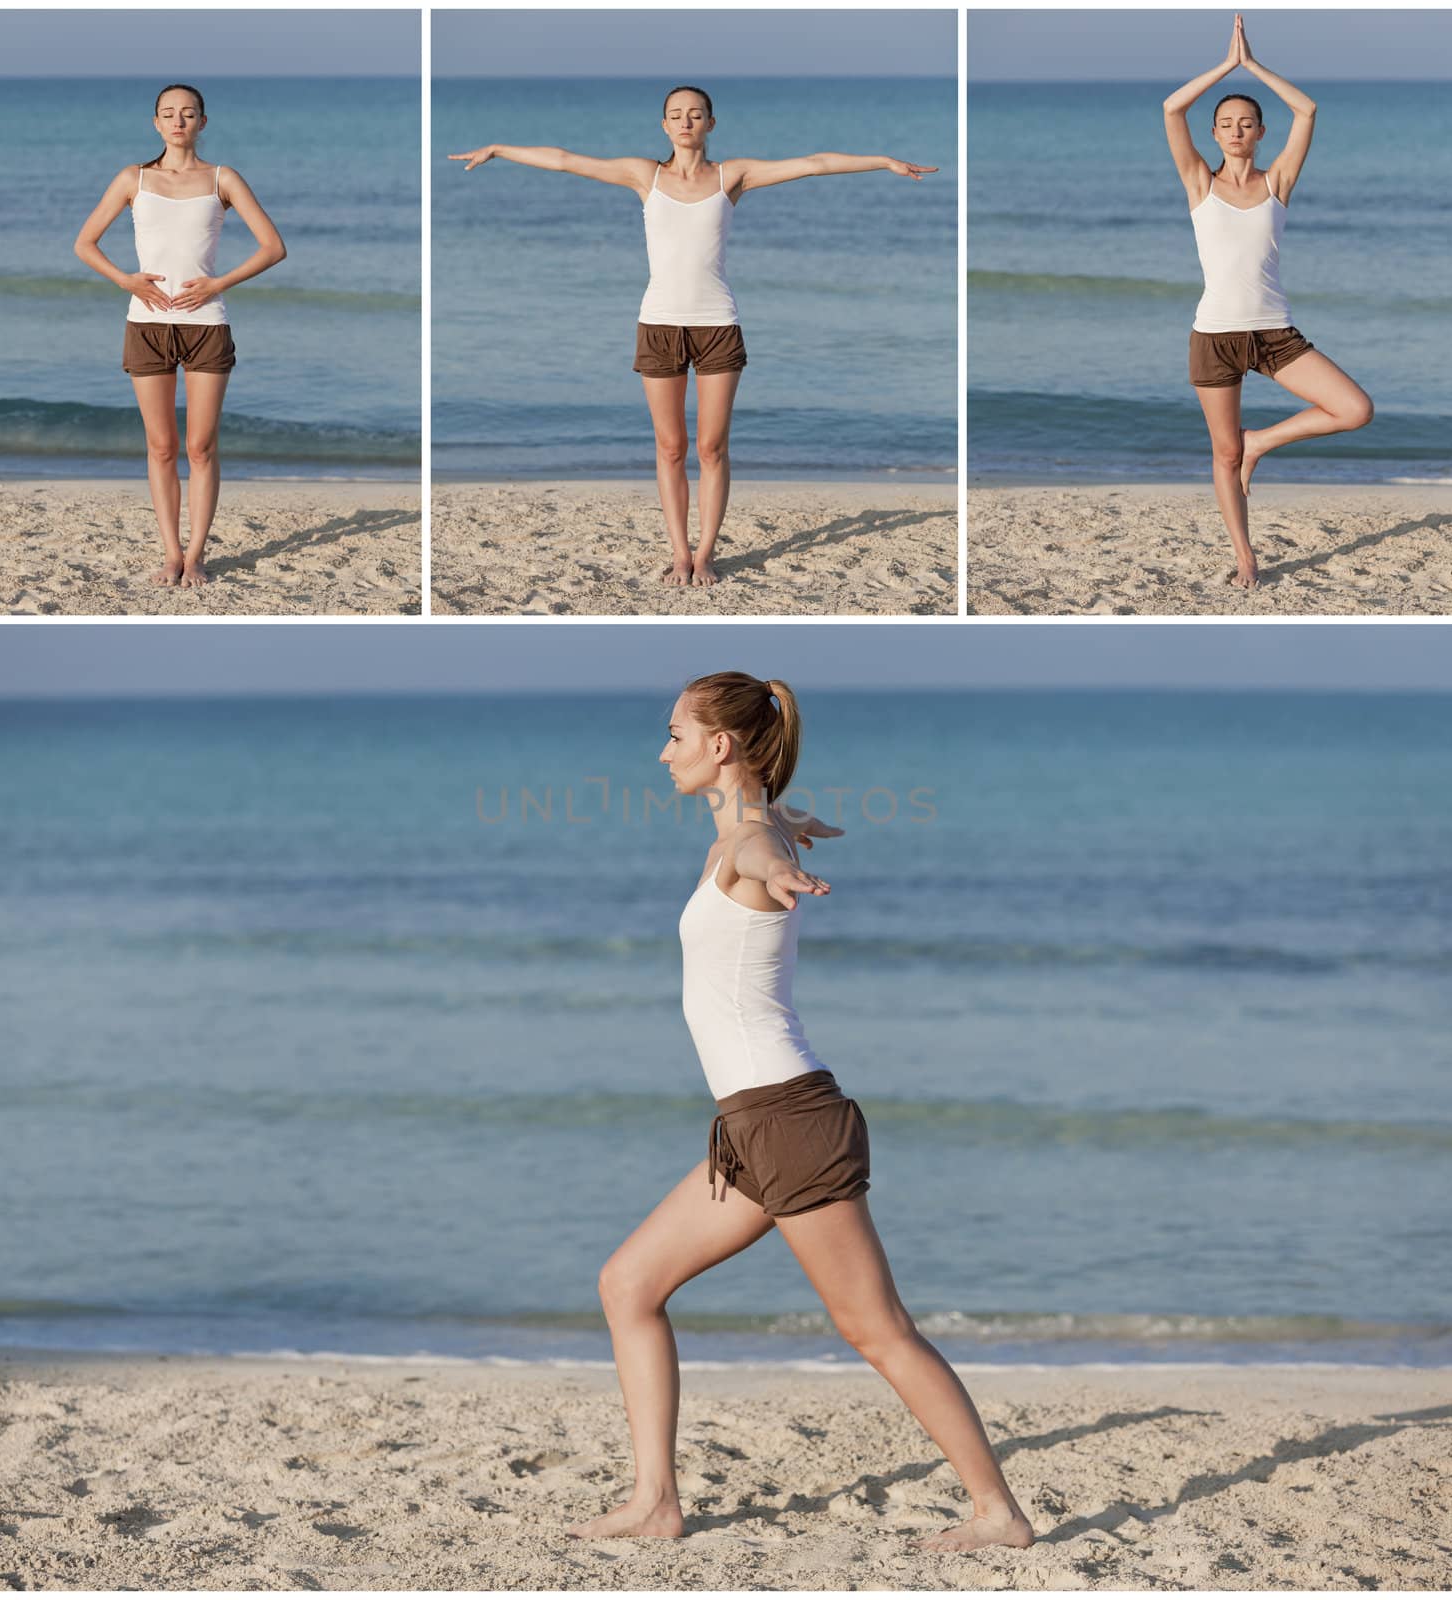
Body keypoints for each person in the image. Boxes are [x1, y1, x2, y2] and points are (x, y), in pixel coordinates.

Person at [566, 671, 1036, 1553]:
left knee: (876, 1328)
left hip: (788, 1122)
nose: (662, 751)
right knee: (628, 1286)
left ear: (720, 746)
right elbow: (765, 831)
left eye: (674, 734)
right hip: (751, 1130)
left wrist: (782, 862)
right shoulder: (747, 828)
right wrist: (792, 829)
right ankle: (656, 1502)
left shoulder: (748, 842)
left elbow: (759, 855)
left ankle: (998, 1514)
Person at [450, 88, 935, 587]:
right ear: (664, 125)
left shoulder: (733, 176)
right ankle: (679, 553)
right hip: (659, 323)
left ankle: (705, 555)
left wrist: (883, 162)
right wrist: (500, 149)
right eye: (676, 116)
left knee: (712, 448)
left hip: (717, 324)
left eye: (695, 115)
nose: (686, 122)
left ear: (710, 123)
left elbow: (813, 163)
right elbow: (566, 160)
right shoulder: (646, 175)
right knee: (670, 447)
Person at [1163, 14, 1373, 588]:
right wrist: (1224, 67)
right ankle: (1246, 557)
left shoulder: (1278, 181)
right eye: (1226, 124)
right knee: (1224, 456)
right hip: (1215, 338)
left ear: (1259, 133)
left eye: (1246, 123)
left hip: (1275, 333)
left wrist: (1253, 65)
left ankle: (1264, 440)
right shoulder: (1199, 184)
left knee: (1355, 409)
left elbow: (1306, 111)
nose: (1235, 131)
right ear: (1215, 134)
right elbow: (1171, 109)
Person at [75, 84, 286, 587]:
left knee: (201, 448)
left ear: (202, 123)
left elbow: (272, 247)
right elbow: (85, 243)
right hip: (146, 324)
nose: (178, 121)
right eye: (168, 114)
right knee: (161, 446)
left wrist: (217, 283)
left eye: (188, 114)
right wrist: (126, 279)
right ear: (156, 123)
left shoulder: (222, 179)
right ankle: (170, 554)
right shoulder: (134, 179)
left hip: (206, 323)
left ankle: (196, 556)